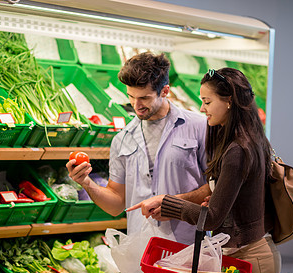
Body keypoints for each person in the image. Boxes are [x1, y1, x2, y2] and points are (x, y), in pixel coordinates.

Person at [128, 68, 281, 273]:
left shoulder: (237, 149)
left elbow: (212, 218)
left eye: (207, 101)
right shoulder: (246, 139)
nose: (202, 109)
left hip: (251, 258)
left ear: (229, 101)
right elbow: (225, 194)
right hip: (242, 254)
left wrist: (169, 205)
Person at [66, 52, 208, 244]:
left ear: (165, 91)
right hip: (141, 247)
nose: (136, 105)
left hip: (188, 245)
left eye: (144, 98)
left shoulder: (199, 126)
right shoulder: (123, 139)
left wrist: (173, 205)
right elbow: (116, 204)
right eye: (131, 97)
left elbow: (216, 186)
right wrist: (86, 183)